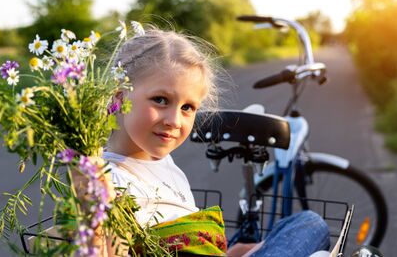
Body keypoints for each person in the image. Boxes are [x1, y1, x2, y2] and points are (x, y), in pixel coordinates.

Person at [103, 28, 330, 256]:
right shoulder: (106, 182)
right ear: (119, 96)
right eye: (160, 100)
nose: (174, 121)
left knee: (307, 223)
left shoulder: (163, 164)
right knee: (311, 227)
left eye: (187, 108)